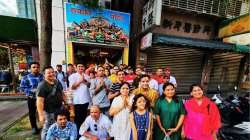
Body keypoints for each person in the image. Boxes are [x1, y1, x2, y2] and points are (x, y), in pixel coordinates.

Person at [37, 66, 66, 140]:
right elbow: (40, 101)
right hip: (48, 112)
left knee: (58, 126)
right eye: (48, 73)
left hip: (59, 109)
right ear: (44, 75)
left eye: (52, 72)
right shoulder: (42, 85)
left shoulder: (57, 81)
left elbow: (62, 93)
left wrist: (66, 103)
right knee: (47, 128)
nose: (51, 74)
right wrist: (41, 115)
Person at [20, 62, 43, 134]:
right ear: (30, 68)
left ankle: (45, 126)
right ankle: (34, 127)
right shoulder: (25, 77)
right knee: (32, 113)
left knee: (44, 112)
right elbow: (22, 88)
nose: (36, 68)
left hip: (42, 98)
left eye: (37, 67)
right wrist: (32, 91)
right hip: (32, 98)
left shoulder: (43, 76)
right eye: (34, 67)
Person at [69, 63, 91, 134]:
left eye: (82, 66)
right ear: (76, 68)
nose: (81, 68)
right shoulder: (72, 76)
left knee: (84, 117)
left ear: (84, 68)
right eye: (79, 66)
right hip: (77, 100)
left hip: (86, 99)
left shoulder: (87, 76)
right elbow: (72, 87)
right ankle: (77, 132)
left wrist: (84, 80)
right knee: (78, 118)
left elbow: (89, 85)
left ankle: (83, 131)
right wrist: (80, 81)